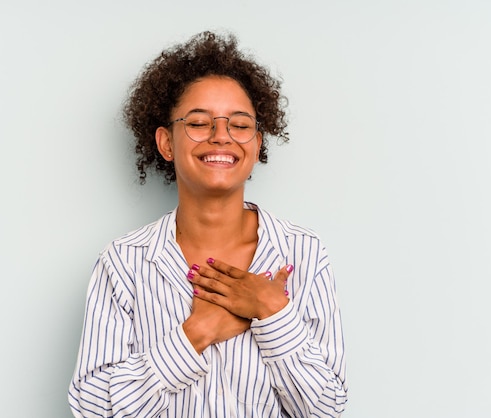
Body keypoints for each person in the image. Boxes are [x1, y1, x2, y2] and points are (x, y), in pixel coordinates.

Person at [68, 31, 348, 417]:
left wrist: (271, 311)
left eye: (240, 124)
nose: (221, 137)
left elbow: (327, 408)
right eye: (199, 123)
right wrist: (197, 333)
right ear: (166, 143)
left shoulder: (303, 253)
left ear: (256, 142)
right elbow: (91, 408)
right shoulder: (123, 263)